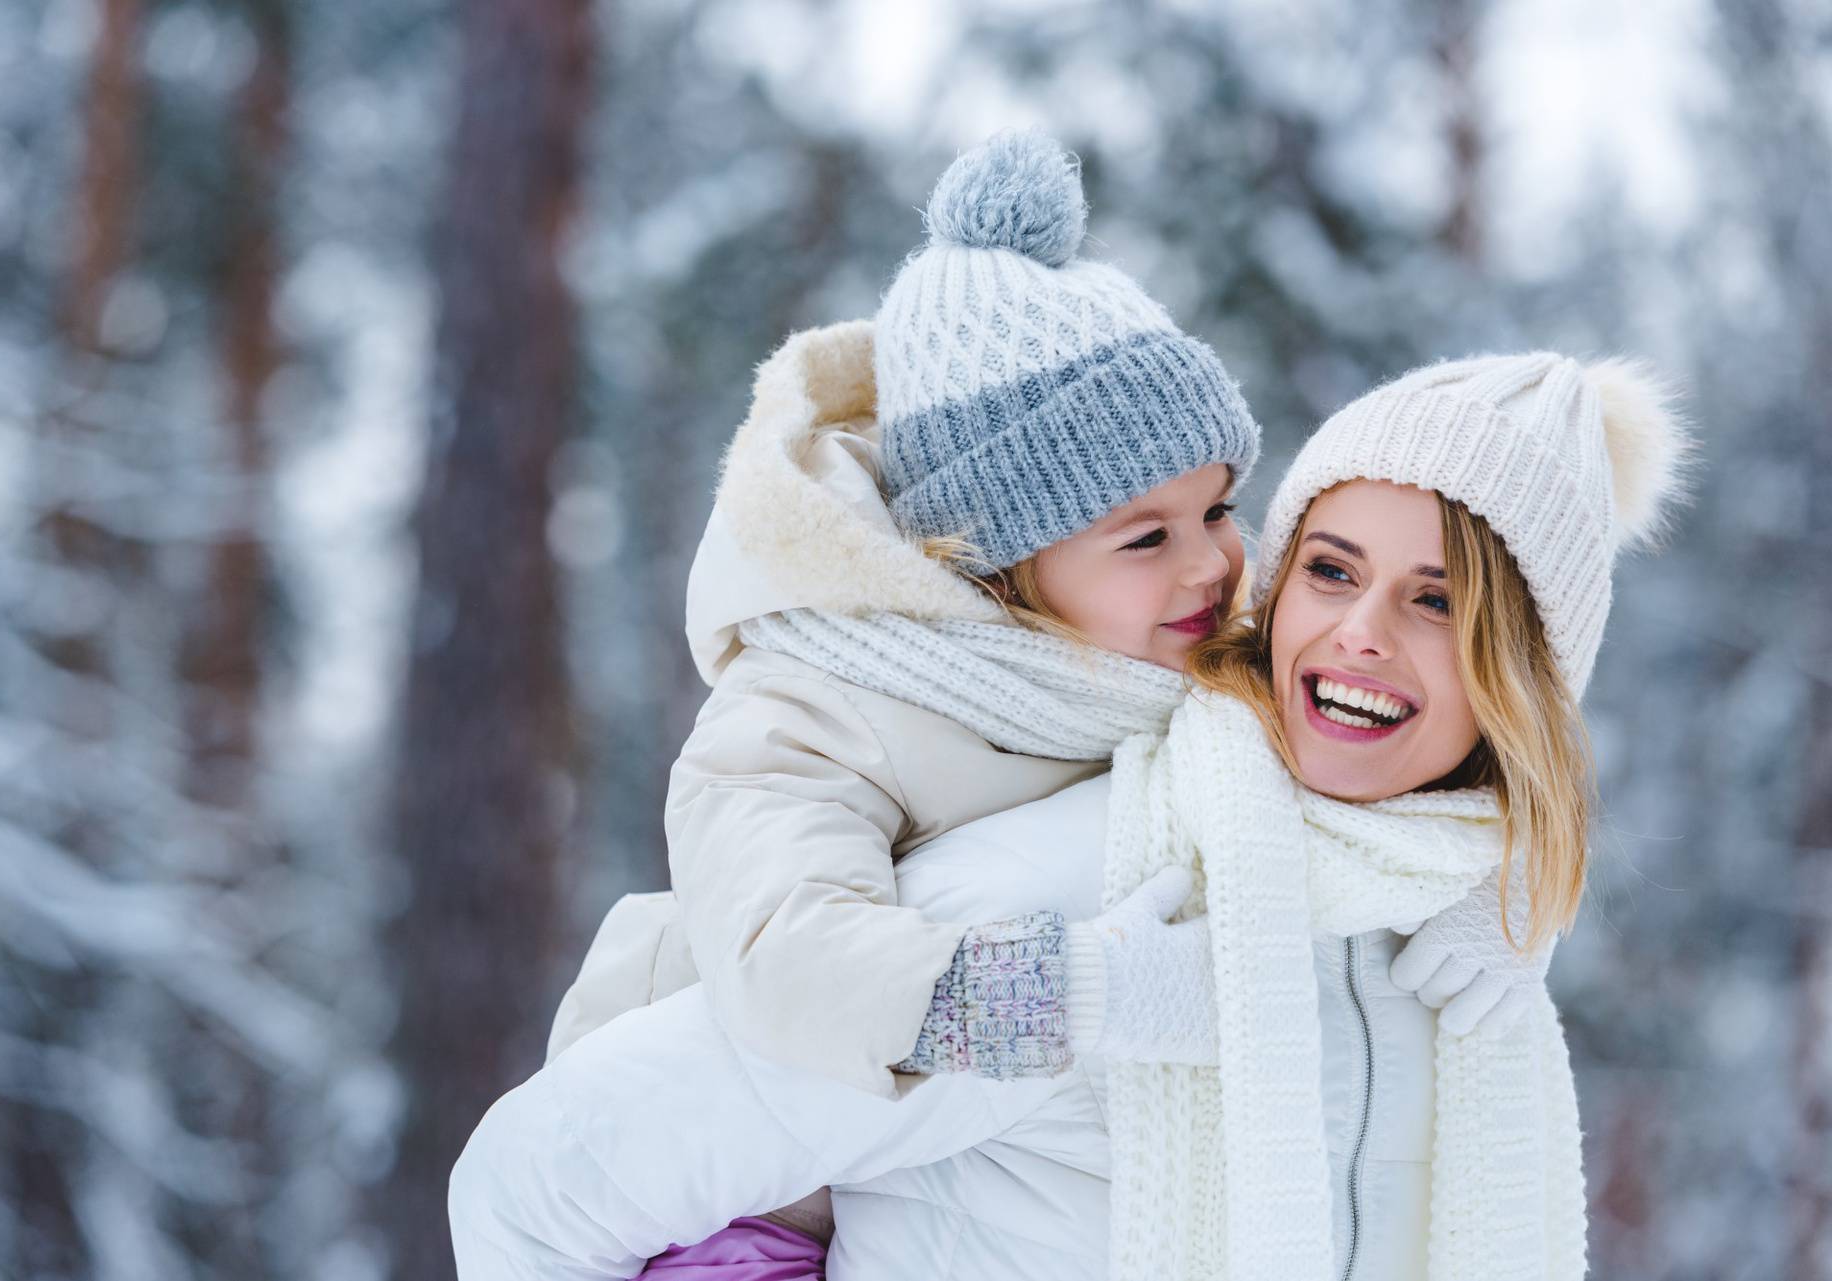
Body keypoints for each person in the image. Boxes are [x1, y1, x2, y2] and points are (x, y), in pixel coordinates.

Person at [448, 351, 1691, 1280]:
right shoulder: (1095, 890)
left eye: (1439, 600)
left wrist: (1499, 891)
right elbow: (537, 1183)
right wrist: (1075, 998)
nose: (1361, 631)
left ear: (1529, 674)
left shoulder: (1459, 962)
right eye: (1331, 569)